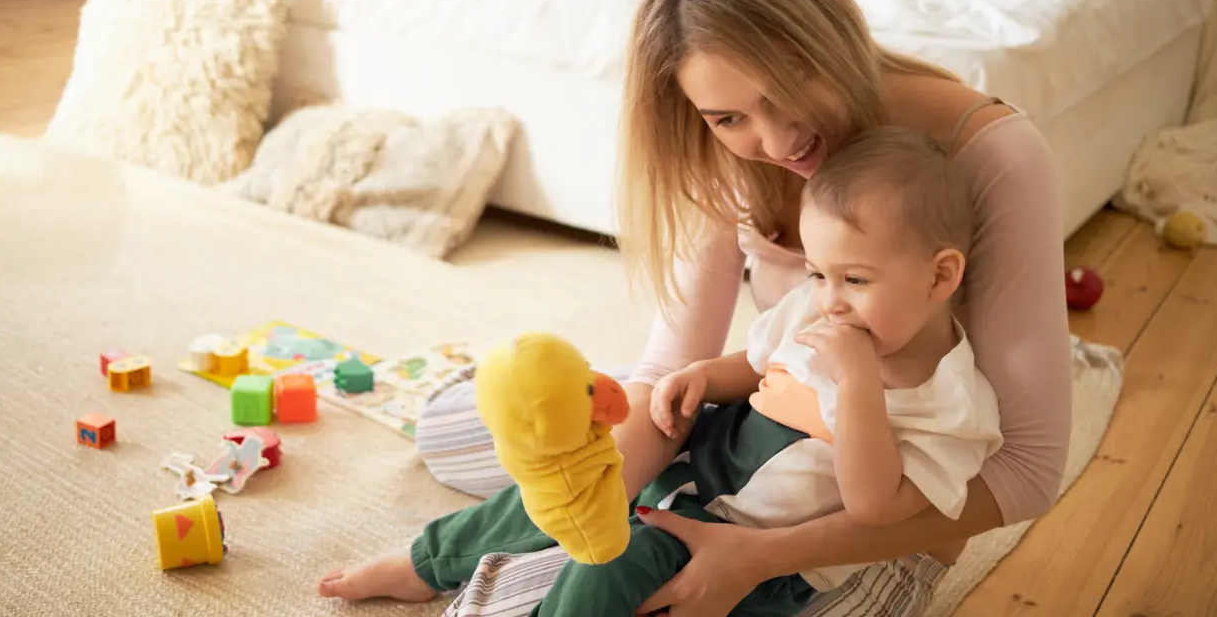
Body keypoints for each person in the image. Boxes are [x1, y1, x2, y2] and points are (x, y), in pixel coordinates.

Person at [366, 0, 1072, 616]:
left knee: (511, 603)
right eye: (728, 118)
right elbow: (674, 370)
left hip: (861, 523)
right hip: (744, 442)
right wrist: (600, 499)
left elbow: (1028, 473)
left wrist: (756, 557)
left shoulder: (990, 156)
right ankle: (471, 544)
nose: (778, 142)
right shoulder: (731, 147)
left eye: (786, 89)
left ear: (829, 38)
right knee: (459, 437)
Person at [317, 127, 1004, 615]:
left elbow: (877, 507)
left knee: (615, 565)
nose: (829, 300)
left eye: (854, 279)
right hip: (694, 464)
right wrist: (704, 377)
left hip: (755, 546)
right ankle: (426, 562)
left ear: (940, 275)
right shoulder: (812, 307)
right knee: (569, 488)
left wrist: (856, 387)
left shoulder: (952, 404)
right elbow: (755, 365)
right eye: (819, 273)